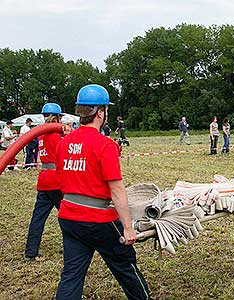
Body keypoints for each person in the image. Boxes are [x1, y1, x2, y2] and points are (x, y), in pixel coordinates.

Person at [55, 84, 151, 300]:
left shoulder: (64, 143)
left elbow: (62, 179)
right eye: (106, 110)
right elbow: (116, 190)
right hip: (98, 221)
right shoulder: (104, 145)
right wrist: (128, 228)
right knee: (126, 268)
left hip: (69, 217)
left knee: (71, 275)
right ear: (100, 112)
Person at [24, 103, 65, 261]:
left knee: (38, 218)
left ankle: (30, 252)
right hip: (56, 180)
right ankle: (73, 248)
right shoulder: (55, 136)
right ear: (57, 117)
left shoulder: (41, 135)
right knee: (68, 216)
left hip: (44, 180)